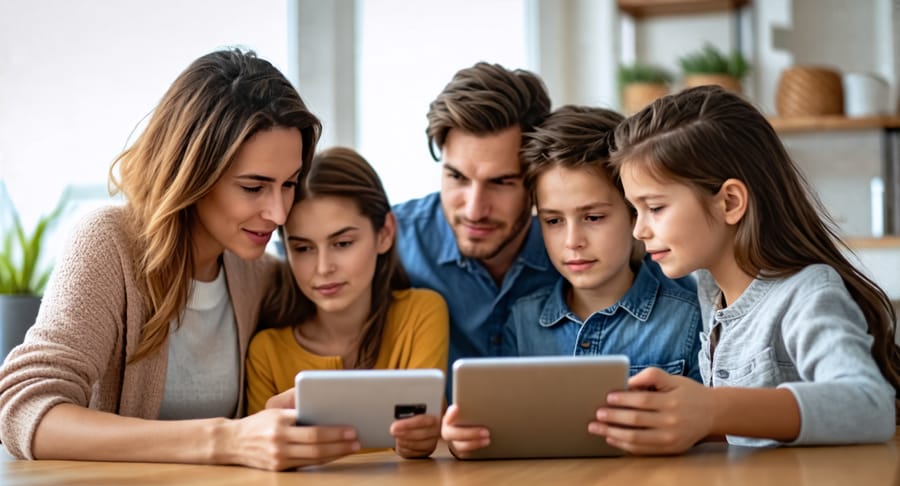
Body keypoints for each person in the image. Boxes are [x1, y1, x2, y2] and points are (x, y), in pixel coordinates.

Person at [0, 49, 362, 471]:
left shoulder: (256, 272)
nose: (279, 214)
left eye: (289, 184)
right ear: (192, 172)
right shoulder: (108, 243)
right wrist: (226, 439)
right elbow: (23, 407)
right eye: (253, 187)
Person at [588, 85, 899, 453]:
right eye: (635, 211)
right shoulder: (708, 287)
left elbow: (869, 405)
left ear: (730, 203)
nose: (640, 230)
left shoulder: (807, 293)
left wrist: (710, 410)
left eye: (655, 208)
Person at [441, 105, 703, 456]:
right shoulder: (522, 320)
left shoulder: (688, 316)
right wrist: (464, 439)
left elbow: (710, 433)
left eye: (593, 217)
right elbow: (496, 431)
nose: (572, 241)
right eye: (553, 221)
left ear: (634, 214)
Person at [247, 146, 449, 459]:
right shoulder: (266, 352)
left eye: (342, 243)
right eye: (303, 248)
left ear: (385, 233)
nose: (323, 267)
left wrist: (423, 439)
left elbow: (425, 436)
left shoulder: (421, 313)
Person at [392, 62, 560, 394]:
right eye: (457, 177)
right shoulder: (391, 241)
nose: (474, 209)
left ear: (535, 180)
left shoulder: (575, 247)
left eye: (500, 182)